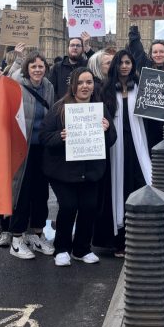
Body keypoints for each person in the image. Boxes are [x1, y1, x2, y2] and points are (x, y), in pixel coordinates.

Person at [41, 67, 116, 266]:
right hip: (62, 171)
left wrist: (107, 130)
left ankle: (82, 249)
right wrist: (60, 136)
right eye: (81, 82)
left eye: (89, 82)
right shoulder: (59, 108)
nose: (85, 86)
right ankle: (62, 248)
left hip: (90, 170)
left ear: (93, 86)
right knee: (68, 206)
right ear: (73, 85)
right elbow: (45, 137)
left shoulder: (99, 109)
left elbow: (112, 139)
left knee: (89, 207)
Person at [0, 50, 56, 259]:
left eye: (41, 66)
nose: (38, 70)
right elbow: (6, 80)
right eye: (33, 66)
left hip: (42, 147)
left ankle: (36, 234)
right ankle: (17, 238)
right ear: (27, 69)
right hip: (21, 147)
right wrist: (18, 58)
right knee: (21, 193)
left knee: (41, 194)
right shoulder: (17, 83)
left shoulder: (48, 86)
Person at [102, 50, 153, 257]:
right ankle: (119, 241)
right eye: (121, 62)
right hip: (115, 148)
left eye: (128, 62)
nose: (125, 66)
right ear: (115, 65)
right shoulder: (105, 90)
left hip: (137, 145)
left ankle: (143, 237)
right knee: (118, 191)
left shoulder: (142, 88)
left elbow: (153, 117)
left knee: (141, 186)